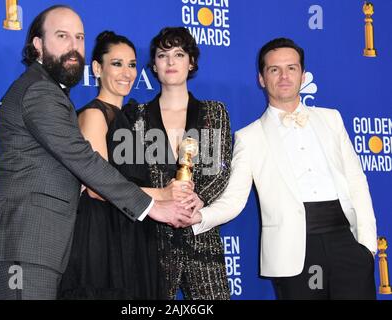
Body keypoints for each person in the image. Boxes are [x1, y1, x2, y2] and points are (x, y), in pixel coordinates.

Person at [0, 6, 193, 300]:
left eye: (79, 37)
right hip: (23, 244)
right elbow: (84, 159)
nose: (73, 46)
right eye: (62, 36)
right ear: (37, 44)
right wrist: (152, 205)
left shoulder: (52, 92)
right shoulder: (40, 91)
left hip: (39, 247)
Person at [191, 37, 378, 300]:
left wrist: (368, 247)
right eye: (274, 69)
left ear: (303, 75)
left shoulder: (332, 119)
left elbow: (357, 183)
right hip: (293, 254)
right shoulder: (250, 136)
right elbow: (234, 199)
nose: (284, 76)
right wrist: (199, 218)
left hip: (346, 244)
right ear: (261, 78)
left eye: (291, 68)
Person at [58, 31, 198, 299]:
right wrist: (161, 195)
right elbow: (97, 187)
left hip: (134, 231)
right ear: (97, 68)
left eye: (132, 65)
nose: (127, 73)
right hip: (102, 234)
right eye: (117, 63)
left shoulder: (131, 120)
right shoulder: (93, 115)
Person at [124, 27, 232, 300]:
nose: (171, 62)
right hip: (153, 239)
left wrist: (200, 199)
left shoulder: (213, 112)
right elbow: (133, 179)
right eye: (163, 55)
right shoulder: (136, 116)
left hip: (201, 235)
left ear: (191, 62)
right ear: (154, 65)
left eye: (179, 54)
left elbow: (220, 169)